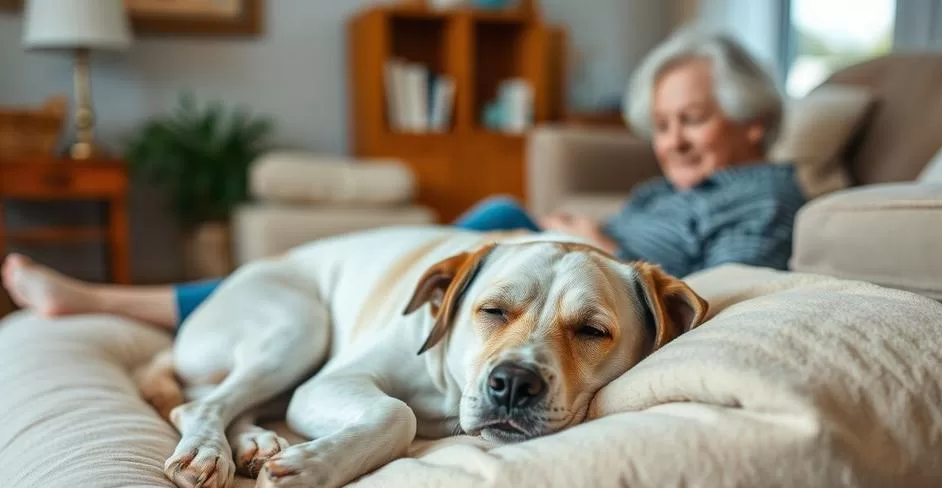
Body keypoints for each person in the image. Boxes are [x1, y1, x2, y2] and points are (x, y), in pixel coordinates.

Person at [1, 26, 807, 331]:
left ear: (752, 118)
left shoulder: (764, 193)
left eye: (693, 120)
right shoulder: (663, 192)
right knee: (388, 253)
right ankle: (145, 302)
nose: (674, 142)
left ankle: (117, 302)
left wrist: (591, 241)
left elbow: (721, 288)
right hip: (556, 263)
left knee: (462, 225)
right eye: (663, 125)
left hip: (582, 281)